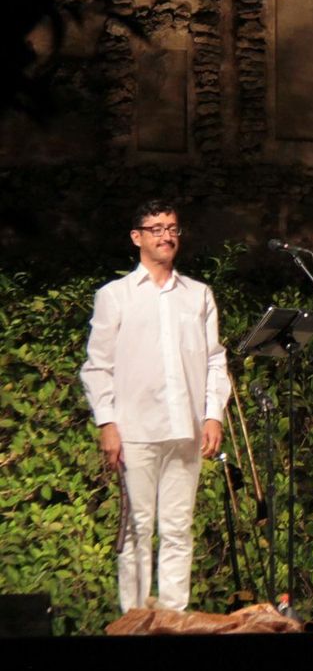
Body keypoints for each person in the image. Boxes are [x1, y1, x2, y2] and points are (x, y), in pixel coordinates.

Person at [81, 200, 230, 612]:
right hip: (136, 430)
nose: (167, 235)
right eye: (157, 228)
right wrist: (107, 423)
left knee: (179, 528)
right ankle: (135, 617)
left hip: (186, 428)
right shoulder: (115, 296)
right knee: (137, 528)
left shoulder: (198, 294)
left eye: (173, 228)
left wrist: (213, 414)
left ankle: (173, 617)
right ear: (138, 237)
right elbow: (98, 366)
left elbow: (215, 358)